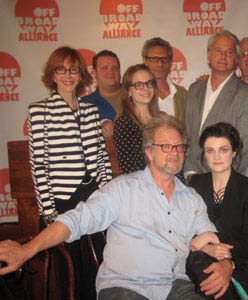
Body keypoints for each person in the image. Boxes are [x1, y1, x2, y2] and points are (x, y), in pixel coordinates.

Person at [0, 115, 235, 300]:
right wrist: (27, 250)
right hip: (125, 286)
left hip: (174, 286)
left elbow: (212, 241)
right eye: (165, 146)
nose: (174, 152)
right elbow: (74, 221)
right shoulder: (122, 189)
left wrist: (226, 264)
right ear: (149, 153)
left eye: (179, 146)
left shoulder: (191, 198)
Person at [27, 46, 113, 299]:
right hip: (63, 201)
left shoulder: (90, 111)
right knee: (69, 272)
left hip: (92, 196)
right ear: (52, 75)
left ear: (81, 74)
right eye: (61, 69)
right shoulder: (39, 111)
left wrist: (108, 195)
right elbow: (38, 166)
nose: (68, 75)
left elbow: (101, 157)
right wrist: (48, 212)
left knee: (99, 263)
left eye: (73, 69)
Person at [187, 122, 248, 299]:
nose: (216, 156)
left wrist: (216, 247)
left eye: (223, 150)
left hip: (244, 266)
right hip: (203, 260)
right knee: (198, 262)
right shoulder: (195, 184)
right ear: (204, 155)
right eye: (210, 151)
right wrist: (209, 249)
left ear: (234, 153)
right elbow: (186, 230)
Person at [185, 30, 248, 178]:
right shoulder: (194, 89)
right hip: (188, 175)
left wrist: (221, 180)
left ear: (236, 59)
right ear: (209, 55)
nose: (223, 56)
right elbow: (187, 135)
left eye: (229, 52)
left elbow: (243, 149)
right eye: (218, 51)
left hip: (220, 179)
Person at [114, 64, 163, 174]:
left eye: (149, 83)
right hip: (140, 186)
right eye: (139, 85)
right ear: (128, 91)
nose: (146, 88)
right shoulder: (124, 124)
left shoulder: (163, 119)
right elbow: (129, 168)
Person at [142, 37, 187, 127]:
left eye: (164, 59)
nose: (160, 64)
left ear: (171, 62)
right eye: (154, 59)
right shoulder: (138, 94)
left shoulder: (183, 95)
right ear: (145, 61)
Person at [82, 50, 124, 137]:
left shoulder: (135, 95)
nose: (111, 72)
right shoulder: (84, 104)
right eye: (105, 68)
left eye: (115, 68)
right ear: (94, 73)